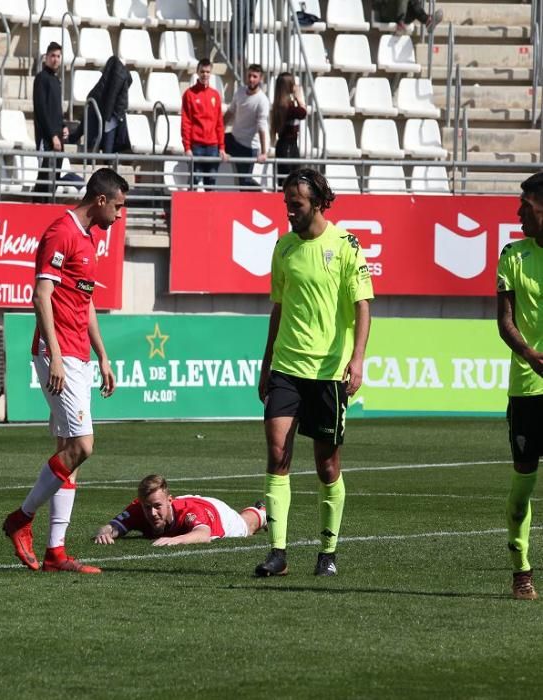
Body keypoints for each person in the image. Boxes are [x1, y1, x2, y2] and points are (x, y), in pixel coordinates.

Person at [2, 167, 127, 574]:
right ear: (101, 200)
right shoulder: (61, 232)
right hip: (59, 355)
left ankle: (56, 552)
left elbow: (85, 302)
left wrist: (103, 356)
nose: (121, 216)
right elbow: (41, 296)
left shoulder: (90, 241)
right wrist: (54, 354)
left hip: (79, 355)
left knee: (66, 452)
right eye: (120, 207)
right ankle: (21, 519)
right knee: (83, 446)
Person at [254, 168, 373, 578]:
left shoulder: (345, 245)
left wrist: (356, 360)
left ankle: (328, 550)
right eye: (287, 204)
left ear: (319, 203)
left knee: (326, 464)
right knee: (277, 454)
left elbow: (362, 307)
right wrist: (267, 361)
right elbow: (279, 306)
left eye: (297, 205)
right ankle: (278, 552)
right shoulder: (284, 247)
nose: (289, 211)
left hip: (328, 373)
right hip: (287, 367)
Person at [497, 170, 543, 600]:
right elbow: (504, 322)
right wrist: (530, 355)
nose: (518, 213)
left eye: (525, 206)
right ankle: (521, 570)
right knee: (522, 488)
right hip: (528, 389)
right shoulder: (513, 255)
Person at [93, 474, 267, 546]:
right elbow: (110, 526)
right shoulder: (138, 508)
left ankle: (262, 512)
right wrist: (105, 533)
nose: (152, 513)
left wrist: (176, 540)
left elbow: (203, 534)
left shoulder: (189, 512)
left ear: (169, 501)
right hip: (194, 502)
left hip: (215, 513)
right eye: (147, 507)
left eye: (157, 506)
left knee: (247, 526)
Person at [181, 58, 227, 189]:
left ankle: (210, 209)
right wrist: (187, 147)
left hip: (213, 146)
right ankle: (191, 209)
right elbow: (186, 122)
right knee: (194, 181)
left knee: (211, 182)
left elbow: (219, 123)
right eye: (202, 71)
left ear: (210, 73)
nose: (205, 74)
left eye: (207, 72)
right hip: (197, 146)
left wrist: (222, 147)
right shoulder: (189, 94)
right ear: (197, 72)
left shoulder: (215, 95)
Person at [32, 41, 69, 195]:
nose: (55, 59)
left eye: (58, 56)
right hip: (46, 138)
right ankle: (38, 208)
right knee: (45, 177)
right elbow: (42, 110)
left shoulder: (56, 80)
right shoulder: (41, 78)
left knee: (55, 176)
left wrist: (63, 125)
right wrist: (52, 135)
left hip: (57, 138)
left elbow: (56, 109)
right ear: (46, 57)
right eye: (52, 56)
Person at [224, 64, 269, 190]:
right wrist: (217, 132)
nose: (251, 79)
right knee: (209, 147)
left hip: (248, 147)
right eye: (249, 75)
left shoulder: (262, 100)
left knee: (244, 182)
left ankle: (261, 194)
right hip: (233, 139)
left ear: (260, 79)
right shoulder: (240, 91)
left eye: (255, 76)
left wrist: (264, 152)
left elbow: (261, 127)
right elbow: (230, 112)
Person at [80, 55, 131, 154]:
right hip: (112, 116)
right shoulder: (120, 79)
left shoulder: (112, 81)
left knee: (108, 142)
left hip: (112, 116)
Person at [269, 73, 307, 191]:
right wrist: (299, 98)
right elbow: (303, 113)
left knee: (289, 181)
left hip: (287, 145)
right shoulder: (285, 107)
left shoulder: (281, 104)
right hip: (288, 147)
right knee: (290, 182)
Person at [374, 1, 444, 34]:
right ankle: (426, 20)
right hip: (386, 12)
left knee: (413, 3)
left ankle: (427, 20)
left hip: (402, 14)